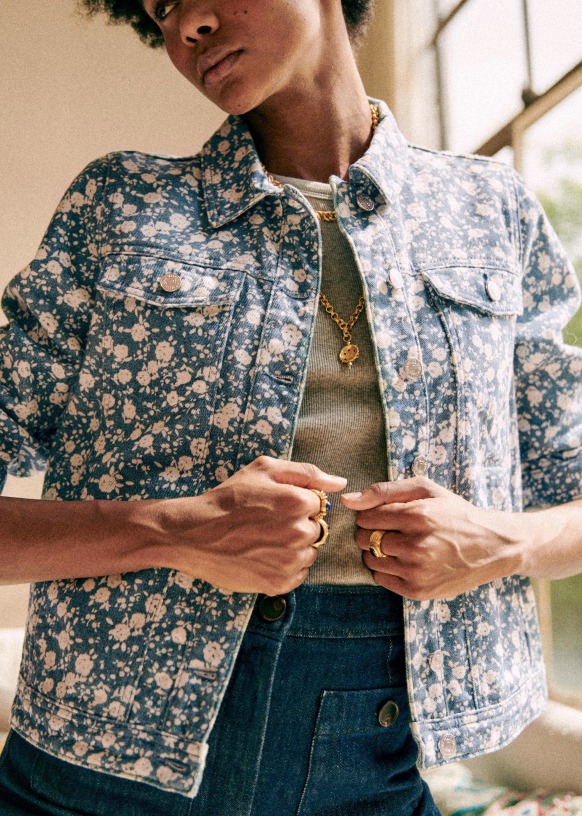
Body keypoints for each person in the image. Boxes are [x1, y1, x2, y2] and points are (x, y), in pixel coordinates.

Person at [0, 0, 581, 814]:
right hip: (92, 767)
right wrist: (170, 530)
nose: (186, 26)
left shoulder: (491, 211)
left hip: (374, 759)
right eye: (160, 9)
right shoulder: (119, 207)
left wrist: (501, 543)